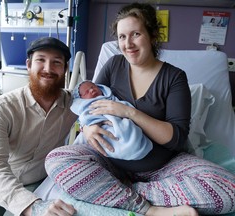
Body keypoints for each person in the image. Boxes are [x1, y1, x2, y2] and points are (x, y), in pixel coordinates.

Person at [45, 3, 235, 216]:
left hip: (161, 168)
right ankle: (148, 208)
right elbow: (90, 108)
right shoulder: (113, 65)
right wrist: (86, 130)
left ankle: (117, 191)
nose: (128, 44)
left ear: (153, 35)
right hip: (108, 160)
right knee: (56, 159)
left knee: (229, 191)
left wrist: (129, 112)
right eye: (122, 37)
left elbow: (176, 139)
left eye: (136, 34)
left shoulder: (174, 78)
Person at [0, 37, 78, 216]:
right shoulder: (3, 107)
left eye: (57, 62)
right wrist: (32, 206)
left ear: (65, 69)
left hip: (39, 180)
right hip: (2, 181)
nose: (48, 69)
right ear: (29, 65)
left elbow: (101, 105)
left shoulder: (73, 105)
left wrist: (91, 125)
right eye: (40, 60)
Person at [71, 80, 153, 162]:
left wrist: (126, 111)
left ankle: (133, 146)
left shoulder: (110, 97)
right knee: (81, 140)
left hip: (118, 120)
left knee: (127, 129)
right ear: (81, 99)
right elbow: (85, 117)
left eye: (92, 87)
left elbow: (124, 107)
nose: (91, 90)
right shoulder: (86, 106)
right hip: (100, 129)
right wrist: (88, 124)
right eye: (86, 92)